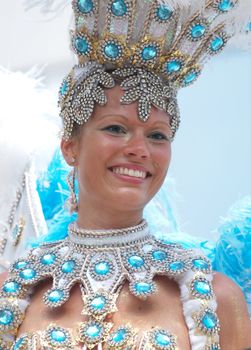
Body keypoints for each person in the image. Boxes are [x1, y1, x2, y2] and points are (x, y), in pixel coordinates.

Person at [0, 0, 251, 349]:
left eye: (157, 135)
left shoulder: (212, 295)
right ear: (70, 147)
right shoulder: (13, 291)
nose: (140, 149)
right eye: (116, 128)